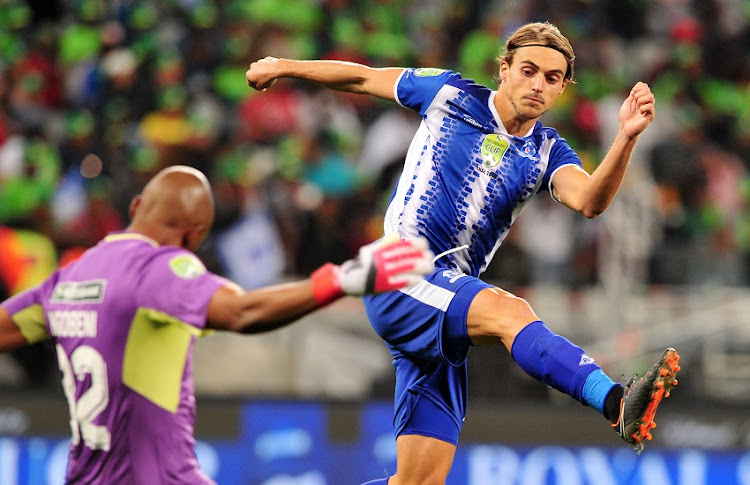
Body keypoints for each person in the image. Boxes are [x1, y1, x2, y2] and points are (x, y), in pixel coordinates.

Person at [246, 21, 681, 485]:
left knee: (418, 482)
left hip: (446, 303)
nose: (537, 85)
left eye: (552, 78)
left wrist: (626, 136)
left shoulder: (547, 150)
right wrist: (283, 66)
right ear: (504, 69)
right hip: (398, 269)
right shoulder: (450, 94)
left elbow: (591, 201)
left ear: (561, 89)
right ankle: (615, 402)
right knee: (510, 312)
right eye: (529, 70)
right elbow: (360, 77)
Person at [0, 165, 434, 484]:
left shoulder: (67, 277)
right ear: (193, 237)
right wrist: (342, 279)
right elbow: (241, 311)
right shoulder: (160, 268)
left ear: (136, 207)